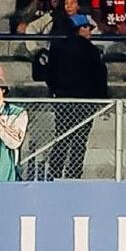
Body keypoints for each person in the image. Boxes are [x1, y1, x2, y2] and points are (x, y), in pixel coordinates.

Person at [44, 13, 108, 179]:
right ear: (79, 29)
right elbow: (100, 77)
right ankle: (74, 174)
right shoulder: (92, 51)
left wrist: (55, 93)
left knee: (62, 137)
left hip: (64, 101)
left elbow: (50, 75)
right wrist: (100, 100)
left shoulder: (57, 48)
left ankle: (54, 172)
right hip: (85, 102)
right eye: (87, 27)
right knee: (80, 141)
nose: (90, 31)